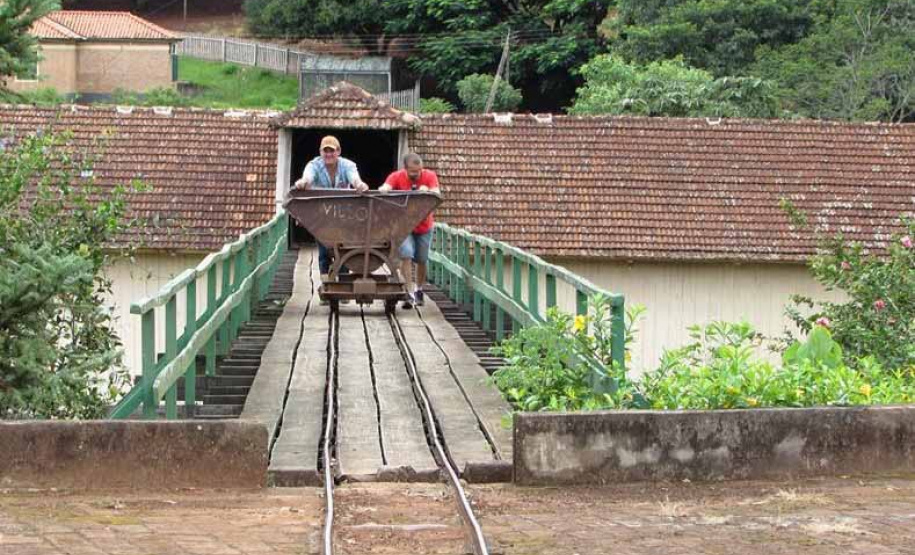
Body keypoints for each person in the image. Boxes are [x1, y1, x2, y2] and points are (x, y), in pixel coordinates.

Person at [293, 135, 368, 283]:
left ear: (338, 151)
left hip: (344, 215)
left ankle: (344, 285)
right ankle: (326, 285)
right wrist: (304, 182)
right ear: (320, 152)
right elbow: (308, 177)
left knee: (344, 249)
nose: (328, 154)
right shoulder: (314, 165)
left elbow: (354, 178)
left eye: (332, 151)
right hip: (322, 216)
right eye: (325, 151)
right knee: (323, 251)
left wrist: (359, 184)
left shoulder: (348, 165)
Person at [379, 152, 441, 309]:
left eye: (419, 171)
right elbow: (386, 187)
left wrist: (428, 190)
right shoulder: (396, 176)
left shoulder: (429, 176)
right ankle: (409, 291)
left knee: (421, 259)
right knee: (406, 254)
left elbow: (437, 192)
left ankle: (419, 289)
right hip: (403, 226)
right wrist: (385, 189)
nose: (417, 174)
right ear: (405, 169)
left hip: (423, 225)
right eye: (413, 172)